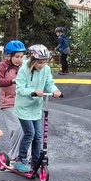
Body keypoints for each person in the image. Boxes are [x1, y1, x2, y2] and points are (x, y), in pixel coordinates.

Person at [13, 44, 61, 173]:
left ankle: (35, 161)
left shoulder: (46, 69)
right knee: (30, 134)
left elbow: (49, 83)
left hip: (36, 108)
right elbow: (20, 89)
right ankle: (20, 160)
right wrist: (33, 91)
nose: (42, 65)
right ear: (33, 60)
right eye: (39, 62)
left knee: (38, 136)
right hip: (23, 107)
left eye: (44, 62)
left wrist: (55, 90)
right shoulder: (24, 70)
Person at [0, 40, 26, 160]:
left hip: (22, 102)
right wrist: (12, 81)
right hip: (8, 103)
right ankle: (14, 156)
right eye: (17, 57)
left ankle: (24, 155)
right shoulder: (3, 66)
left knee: (27, 130)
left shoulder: (23, 67)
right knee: (17, 128)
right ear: (9, 56)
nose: (19, 59)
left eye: (21, 57)